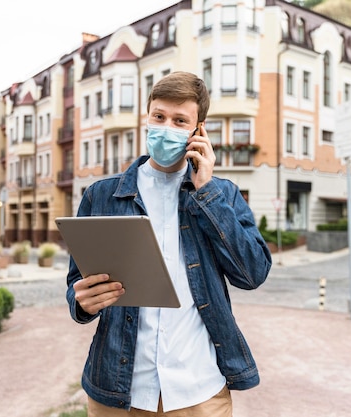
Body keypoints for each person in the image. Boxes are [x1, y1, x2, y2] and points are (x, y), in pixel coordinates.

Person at [66, 71, 272, 416]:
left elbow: (252, 274)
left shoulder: (223, 195)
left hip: (198, 390)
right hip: (118, 391)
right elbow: (77, 283)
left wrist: (206, 192)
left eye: (179, 121)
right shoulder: (101, 195)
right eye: (158, 117)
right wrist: (82, 302)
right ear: (146, 117)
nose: (165, 128)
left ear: (198, 130)